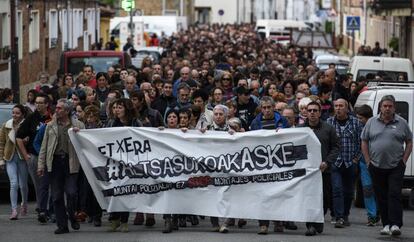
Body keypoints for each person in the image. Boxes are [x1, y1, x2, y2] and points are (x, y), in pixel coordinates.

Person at [361, 95, 413, 236]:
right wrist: (367, 161)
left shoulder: (401, 123)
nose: (387, 108)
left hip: (396, 165)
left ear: (394, 107)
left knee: (394, 194)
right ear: (380, 107)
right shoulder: (371, 122)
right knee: (381, 196)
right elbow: (364, 141)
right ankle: (386, 224)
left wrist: (404, 160)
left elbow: (409, 141)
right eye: (385, 106)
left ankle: (396, 224)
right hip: (376, 165)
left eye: (390, 106)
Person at [37, 98, 85, 234]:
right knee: (57, 196)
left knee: (71, 193)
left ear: (67, 111)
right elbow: (44, 148)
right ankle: (62, 225)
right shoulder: (50, 126)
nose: (56, 110)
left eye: (59, 108)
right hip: (55, 163)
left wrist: (79, 134)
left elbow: (86, 144)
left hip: (71, 163)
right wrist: (41, 166)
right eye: (56, 108)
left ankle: (72, 215)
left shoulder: (79, 125)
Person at [250, 96, 289, 235]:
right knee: (263, 195)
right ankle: (263, 224)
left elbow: (291, 138)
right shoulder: (255, 122)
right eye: (264, 108)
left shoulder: (283, 121)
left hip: (279, 162)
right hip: (262, 163)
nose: (266, 110)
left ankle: (278, 222)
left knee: (278, 193)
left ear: (273, 107)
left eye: (268, 107)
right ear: (261, 108)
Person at [300, 101, 339, 236]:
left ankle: (318, 221)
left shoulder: (329, 129)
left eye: (315, 110)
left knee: (324, 198)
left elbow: (336, 147)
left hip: (324, 170)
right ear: (306, 112)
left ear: (320, 112)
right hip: (306, 172)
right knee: (309, 198)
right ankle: (311, 225)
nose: (312, 113)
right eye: (309, 110)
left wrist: (327, 162)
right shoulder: (299, 130)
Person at [106, 98, 143, 233]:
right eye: (115, 107)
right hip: (115, 162)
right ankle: (115, 218)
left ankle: (124, 221)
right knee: (116, 190)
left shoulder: (136, 123)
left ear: (126, 109)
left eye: (120, 107)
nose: (116, 110)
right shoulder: (111, 122)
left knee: (126, 190)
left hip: (131, 163)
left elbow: (144, 138)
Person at [15, 93, 52, 223]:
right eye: (36, 102)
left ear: (47, 104)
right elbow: (19, 137)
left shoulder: (52, 117)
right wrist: (25, 155)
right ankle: (42, 209)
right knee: (39, 185)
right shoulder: (31, 118)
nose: (38, 105)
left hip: (52, 156)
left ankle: (50, 209)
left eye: (41, 103)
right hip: (35, 156)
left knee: (52, 185)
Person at [327, 98, 363, 228]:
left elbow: (362, 142)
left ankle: (346, 213)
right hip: (335, 162)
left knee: (348, 192)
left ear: (347, 108)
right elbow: (327, 143)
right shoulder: (329, 122)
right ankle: (339, 217)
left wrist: (356, 158)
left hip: (350, 162)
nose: (338, 108)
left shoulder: (356, 123)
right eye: (336, 106)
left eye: (341, 106)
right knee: (337, 189)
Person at [0, 105, 29, 220]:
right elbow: (1, 143)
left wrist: (27, 140)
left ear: (22, 114)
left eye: (17, 113)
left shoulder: (26, 124)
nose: (14, 115)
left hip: (22, 157)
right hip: (10, 157)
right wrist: (1, 160)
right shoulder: (6, 125)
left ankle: (24, 204)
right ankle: (14, 210)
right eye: (13, 113)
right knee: (14, 183)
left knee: (23, 185)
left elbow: (32, 137)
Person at [354, 105, 379, 226]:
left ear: (368, 118)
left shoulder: (377, 127)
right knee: (367, 189)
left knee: (379, 189)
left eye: (360, 118)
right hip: (364, 163)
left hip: (379, 163)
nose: (359, 121)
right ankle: (372, 216)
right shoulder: (359, 127)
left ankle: (378, 212)